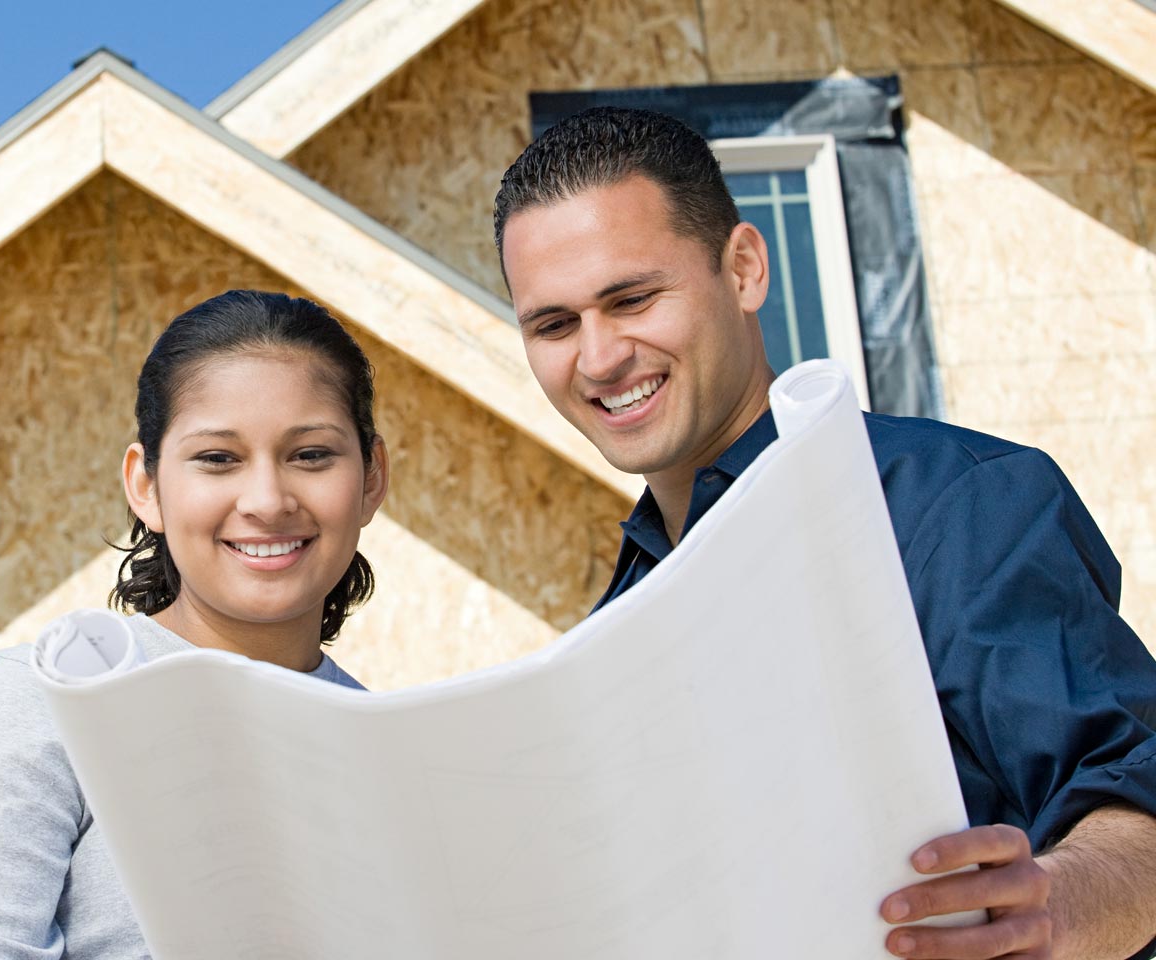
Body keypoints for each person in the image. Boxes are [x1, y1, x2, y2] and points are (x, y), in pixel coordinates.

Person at [492, 106, 1156, 960]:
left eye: (632, 298)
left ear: (743, 270)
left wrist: (1057, 906)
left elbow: (1135, 791)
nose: (598, 356)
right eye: (553, 324)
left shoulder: (947, 506)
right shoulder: (616, 620)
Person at [0, 289, 391, 959]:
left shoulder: (390, 750)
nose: (268, 501)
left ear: (370, 479)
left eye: (310, 455)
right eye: (218, 458)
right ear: (146, 486)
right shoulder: (53, 702)